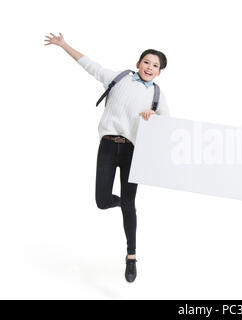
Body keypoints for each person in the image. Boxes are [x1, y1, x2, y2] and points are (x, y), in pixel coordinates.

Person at [45, 33, 170, 282]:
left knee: (129, 205)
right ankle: (120, 202)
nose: (150, 67)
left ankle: (131, 256)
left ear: (158, 72)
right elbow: (91, 65)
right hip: (108, 145)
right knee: (102, 201)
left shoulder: (156, 95)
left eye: (155, 66)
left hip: (134, 152)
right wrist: (63, 45)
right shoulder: (120, 78)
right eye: (146, 62)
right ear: (138, 64)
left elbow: (168, 126)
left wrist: (153, 118)